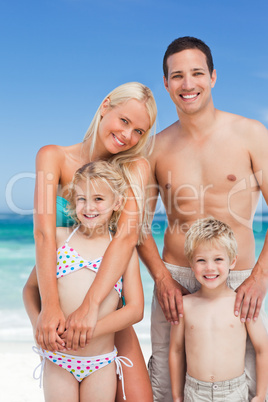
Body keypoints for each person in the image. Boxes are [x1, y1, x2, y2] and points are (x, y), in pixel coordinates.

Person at [137, 36, 268, 401]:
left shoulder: (251, 134)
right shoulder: (155, 148)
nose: (188, 84)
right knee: (166, 384)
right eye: (177, 76)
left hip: (240, 282)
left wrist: (259, 278)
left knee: (251, 383)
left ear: (213, 77)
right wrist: (161, 278)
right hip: (175, 281)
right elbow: (136, 223)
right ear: (165, 83)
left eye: (196, 73)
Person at [28, 82, 157, 402]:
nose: (128, 136)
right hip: (61, 312)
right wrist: (50, 308)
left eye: (139, 131)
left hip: (107, 308)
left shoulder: (134, 168)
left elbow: (127, 237)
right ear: (105, 106)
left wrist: (90, 307)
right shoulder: (53, 156)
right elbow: (44, 233)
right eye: (124, 121)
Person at [24, 160, 145, 401]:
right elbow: (30, 288)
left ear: (117, 203)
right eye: (82, 199)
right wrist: (38, 321)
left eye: (99, 199)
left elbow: (135, 310)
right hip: (59, 359)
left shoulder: (122, 251)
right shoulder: (59, 239)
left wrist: (91, 330)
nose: (89, 207)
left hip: (100, 363)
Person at [169, 217, 268, 402]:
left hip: (233, 392)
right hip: (195, 392)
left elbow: (263, 348)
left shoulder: (242, 303)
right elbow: (175, 350)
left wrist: (261, 395)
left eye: (218, 259)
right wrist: (176, 396)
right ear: (191, 264)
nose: (210, 267)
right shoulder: (186, 305)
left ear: (232, 262)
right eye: (201, 260)